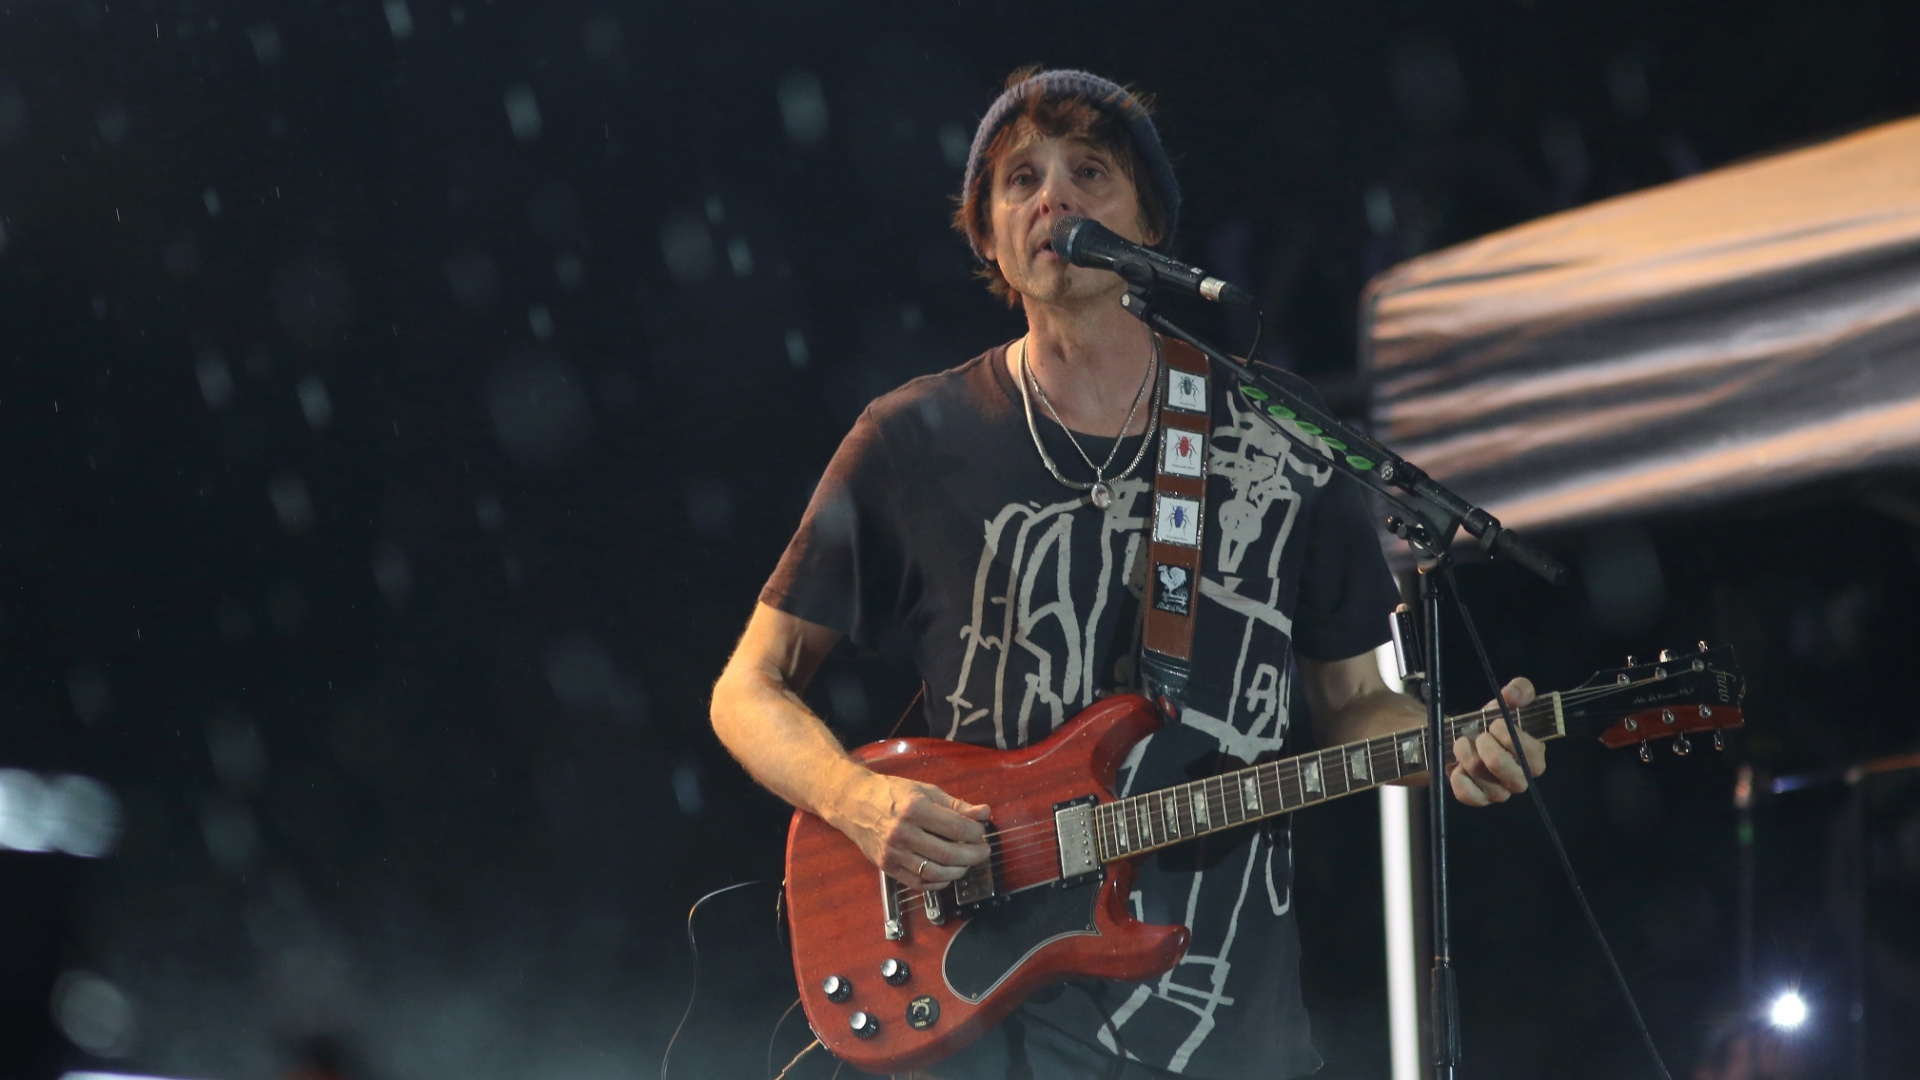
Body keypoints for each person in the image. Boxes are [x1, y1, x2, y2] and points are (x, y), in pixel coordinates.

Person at [710, 67, 1545, 1080]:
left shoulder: (1279, 433)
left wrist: (1450, 744)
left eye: (1090, 171)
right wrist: (859, 800)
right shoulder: (910, 439)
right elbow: (747, 689)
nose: (1053, 198)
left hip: (1236, 1034)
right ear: (988, 238)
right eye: (1021, 180)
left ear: (1149, 223)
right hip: (985, 1025)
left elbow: (1357, 702)